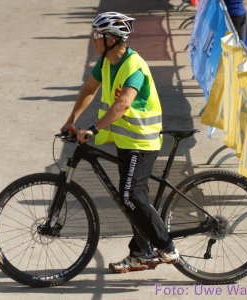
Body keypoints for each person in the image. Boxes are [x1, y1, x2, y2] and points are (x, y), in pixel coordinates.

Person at [60, 12, 179, 273]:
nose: (93, 40)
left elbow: (123, 104)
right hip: (125, 141)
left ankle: (166, 247)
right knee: (132, 198)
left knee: (130, 196)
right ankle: (141, 253)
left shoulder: (133, 65)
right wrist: (72, 120)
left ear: (111, 39)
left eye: (97, 35)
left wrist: (92, 129)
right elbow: (89, 89)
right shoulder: (105, 62)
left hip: (142, 141)